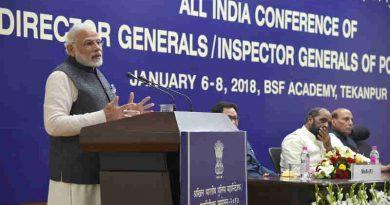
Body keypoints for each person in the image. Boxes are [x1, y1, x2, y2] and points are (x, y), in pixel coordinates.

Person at [43, 23, 154, 205]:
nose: (97, 48)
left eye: (99, 42)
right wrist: (104, 116)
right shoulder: (61, 77)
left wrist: (126, 116)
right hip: (74, 177)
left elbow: (106, 119)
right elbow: (54, 124)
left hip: (102, 171)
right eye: (89, 43)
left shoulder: (98, 75)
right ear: (71, 49)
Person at [211, 101, 277, 178]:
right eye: (229, 118)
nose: (233, 122)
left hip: (259, 178)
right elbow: (232, 172)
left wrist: (276, 176)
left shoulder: (241, 138)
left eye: (235, 118)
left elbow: (257, 166)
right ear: (216, 119)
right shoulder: (214, 143)